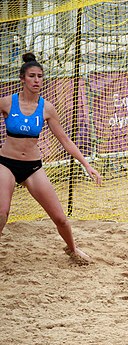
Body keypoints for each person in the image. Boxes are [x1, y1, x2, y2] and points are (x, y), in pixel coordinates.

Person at [0, 53, 101, 264]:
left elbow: (65, 140)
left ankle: (72, 249)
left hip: (33, 167)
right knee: (2, 212)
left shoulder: (47, 108)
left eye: (40, 76)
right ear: (22, 79)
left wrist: (87, 165)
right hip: (6, 164)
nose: (37, 80)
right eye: (32, 76)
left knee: (60, 218)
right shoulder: (8, 103)